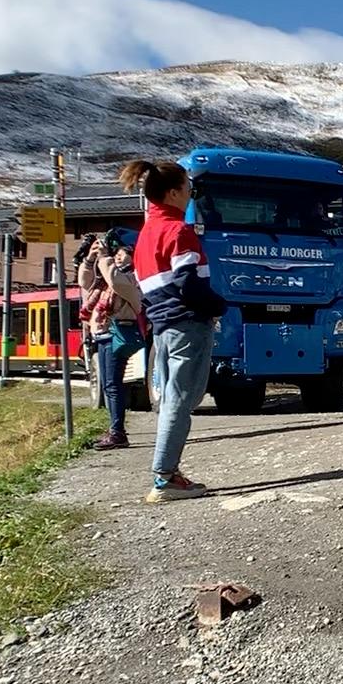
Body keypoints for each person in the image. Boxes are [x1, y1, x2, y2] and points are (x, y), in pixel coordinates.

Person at [123, 158, 228, 502]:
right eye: (188, 187)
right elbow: (189, 285)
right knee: (182, 402)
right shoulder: (178, 232)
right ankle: (164, 478)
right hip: (188, 325)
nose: (191, 193)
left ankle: (167, 474)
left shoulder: (144, 237)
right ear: (172, 193)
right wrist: (219, 306)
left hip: (163, 325)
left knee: (170, 400)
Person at [77, 229, 143, 449]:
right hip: (104, 334)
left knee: (113, 385)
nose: (118, 256)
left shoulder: (133, 278)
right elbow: (85, 283)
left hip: (118, 333)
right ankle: (115, 430)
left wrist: (105, 258)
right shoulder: (107, 276)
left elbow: (116, 282)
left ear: (134, 256)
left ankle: (118, 432)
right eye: (117, 253)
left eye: (123, 254)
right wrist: (90, 258)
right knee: (109, 385)